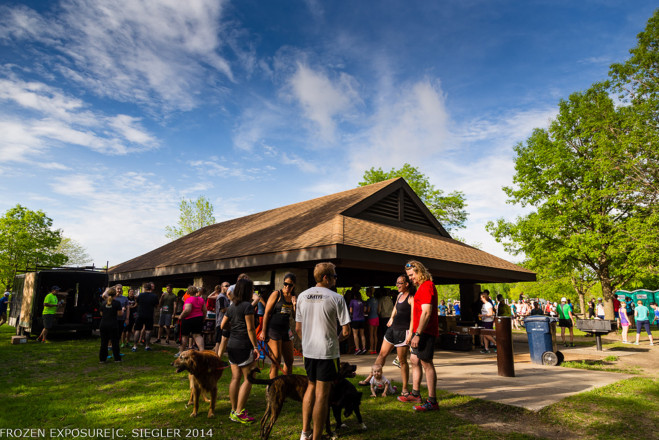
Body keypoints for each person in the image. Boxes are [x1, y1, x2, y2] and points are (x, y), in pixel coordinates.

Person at [295, 262, 351, 440]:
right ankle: (317, 436)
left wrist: (308, 341)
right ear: (326, 278)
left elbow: (298, 328)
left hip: (309, 351)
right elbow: (346, 331)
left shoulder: (302, 296)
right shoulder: (336, 298)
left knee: (310, 387)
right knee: (322, 394)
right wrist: (336, 340)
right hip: (327, 352)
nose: (336, 279)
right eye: (334, 276)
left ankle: (305, 432)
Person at [360, 274, 414, 397]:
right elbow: (395, 307)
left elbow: (413, 317)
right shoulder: (399, 295)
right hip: (392, 329)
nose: (397, 285)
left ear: (406, 284)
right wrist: (391, 318)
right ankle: (370, 378)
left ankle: (405, 388)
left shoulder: (411, 298)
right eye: (397, 283)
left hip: (403, 331)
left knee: (402, 361)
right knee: (381, 354)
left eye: (400, 283)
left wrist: (410, 333)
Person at [397, 260, 439, 412]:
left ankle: (432, 401)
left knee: (427, 364)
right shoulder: (421, 288)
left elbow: (426, 312)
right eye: (408, 276)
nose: (410, 279)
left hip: (426, 332)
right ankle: (415, 394)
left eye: (412, 275)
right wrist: (412, 333)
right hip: (419, 332)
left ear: (419, 271)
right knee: (414, 360)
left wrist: (418, 334)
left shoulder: (427, 286)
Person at [221, 278, 260, 424]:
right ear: (248, 290)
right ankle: (239, 412)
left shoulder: (232, 306)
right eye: (252, 289)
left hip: (232, 344)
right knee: (249, 378)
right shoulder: (247, 306)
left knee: (235, 377)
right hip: (244, 345)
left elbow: (223, 325)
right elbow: (250, 328)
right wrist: (255, 347)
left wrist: (235, 329)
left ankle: (233, 410)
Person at [260, 273, 297, 378]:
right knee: (276, 359)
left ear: (294, 285)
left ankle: (286, 384)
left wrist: (295, 305)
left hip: (286, 330)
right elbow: (266, 312)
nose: (287, 287)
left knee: (290, 360)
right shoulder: (277, 294)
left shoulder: (293, 297)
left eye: (290, 285)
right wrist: (263, 331)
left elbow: (295, 317)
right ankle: (272, 387)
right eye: (285, 284)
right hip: (273, 329)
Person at [176, 286, 207, 356]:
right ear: (196, 292)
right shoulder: (201, 299)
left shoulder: (189, 299)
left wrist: (181, 316)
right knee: (197, 335)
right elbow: (205, 310)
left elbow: (187, 310)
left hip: (188, 319)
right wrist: (204, 317)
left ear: (188, 292)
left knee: (184, 336)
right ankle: (202, 352)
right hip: (198, 318)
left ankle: (181, 352)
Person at [99, 286, 124, 363]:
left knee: (104, 342)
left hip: (103, 324)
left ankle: (102, 359)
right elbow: (120, 314)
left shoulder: (103, 303)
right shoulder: (117, 303)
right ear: (115, 294)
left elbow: (101, 314)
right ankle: (117, 358)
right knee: (115, 342)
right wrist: (122, 310)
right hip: (113, 324)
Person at [132, 282, 158, 352]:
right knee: (148, 331)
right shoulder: (154, 296)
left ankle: (135, 346)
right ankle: (147, 346)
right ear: (150, 288)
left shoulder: (140, 295)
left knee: (137, 330)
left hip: (140, 314)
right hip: (149, 315)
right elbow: (156, 306)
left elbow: (137, 303)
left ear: (145, 288)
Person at [212, 282, 231, 355]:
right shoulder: (221, 297)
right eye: (226, 286)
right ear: (221, 287)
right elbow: (222, 309)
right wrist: (233, 308)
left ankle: (218, 358)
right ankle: (216, 358)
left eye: (229, 286)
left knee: (223, 341)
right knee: (218, 341)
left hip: (225, 322)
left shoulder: (226, 297)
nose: (228, 287)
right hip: (220, 322)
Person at [349, 289, 366, 355]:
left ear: (354, 296)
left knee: (355, 334)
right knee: (362, 334)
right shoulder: (362, 301)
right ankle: (364, 348)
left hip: (355, 319)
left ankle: (357, 349)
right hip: (362, 319)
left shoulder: (352, 301)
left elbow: (351, 311)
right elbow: (365, 310)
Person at [365, 287, 379, 354]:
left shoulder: (369, 301)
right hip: (376, 318)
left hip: (371, 318)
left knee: (371, 334)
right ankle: (375, 349)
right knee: (375, 334)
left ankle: (371, 349)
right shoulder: (376, 300)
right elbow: (378, 310)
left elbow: (368, 310)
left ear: (369, 293)